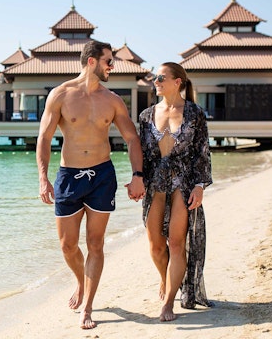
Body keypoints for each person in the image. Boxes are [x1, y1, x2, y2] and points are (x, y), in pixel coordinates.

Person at [37, 40, 145, 329]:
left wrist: (137, 176)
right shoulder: (60, 95)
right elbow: (45, 138)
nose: (113, 66)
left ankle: (88, 307)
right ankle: (79, 282)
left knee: (95, 244)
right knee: (67, 246)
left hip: (102, 176)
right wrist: (43, 178)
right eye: (109, 61)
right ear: (91, 62)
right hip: (69, 177)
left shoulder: (113, 100)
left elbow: (132, 139)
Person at [138, 62, 213, 322]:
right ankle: (165, 279)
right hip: (155, 184)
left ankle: (169, 302)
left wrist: (200, 186)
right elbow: (142, 156)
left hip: (183, 183)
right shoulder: (146, 115)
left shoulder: (195, 113)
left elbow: (203, 151)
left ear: (177, 81)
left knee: (177, 243)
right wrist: (136, 179)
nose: (155, 81)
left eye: (160, 77)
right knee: (157, 246)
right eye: (154, 78)